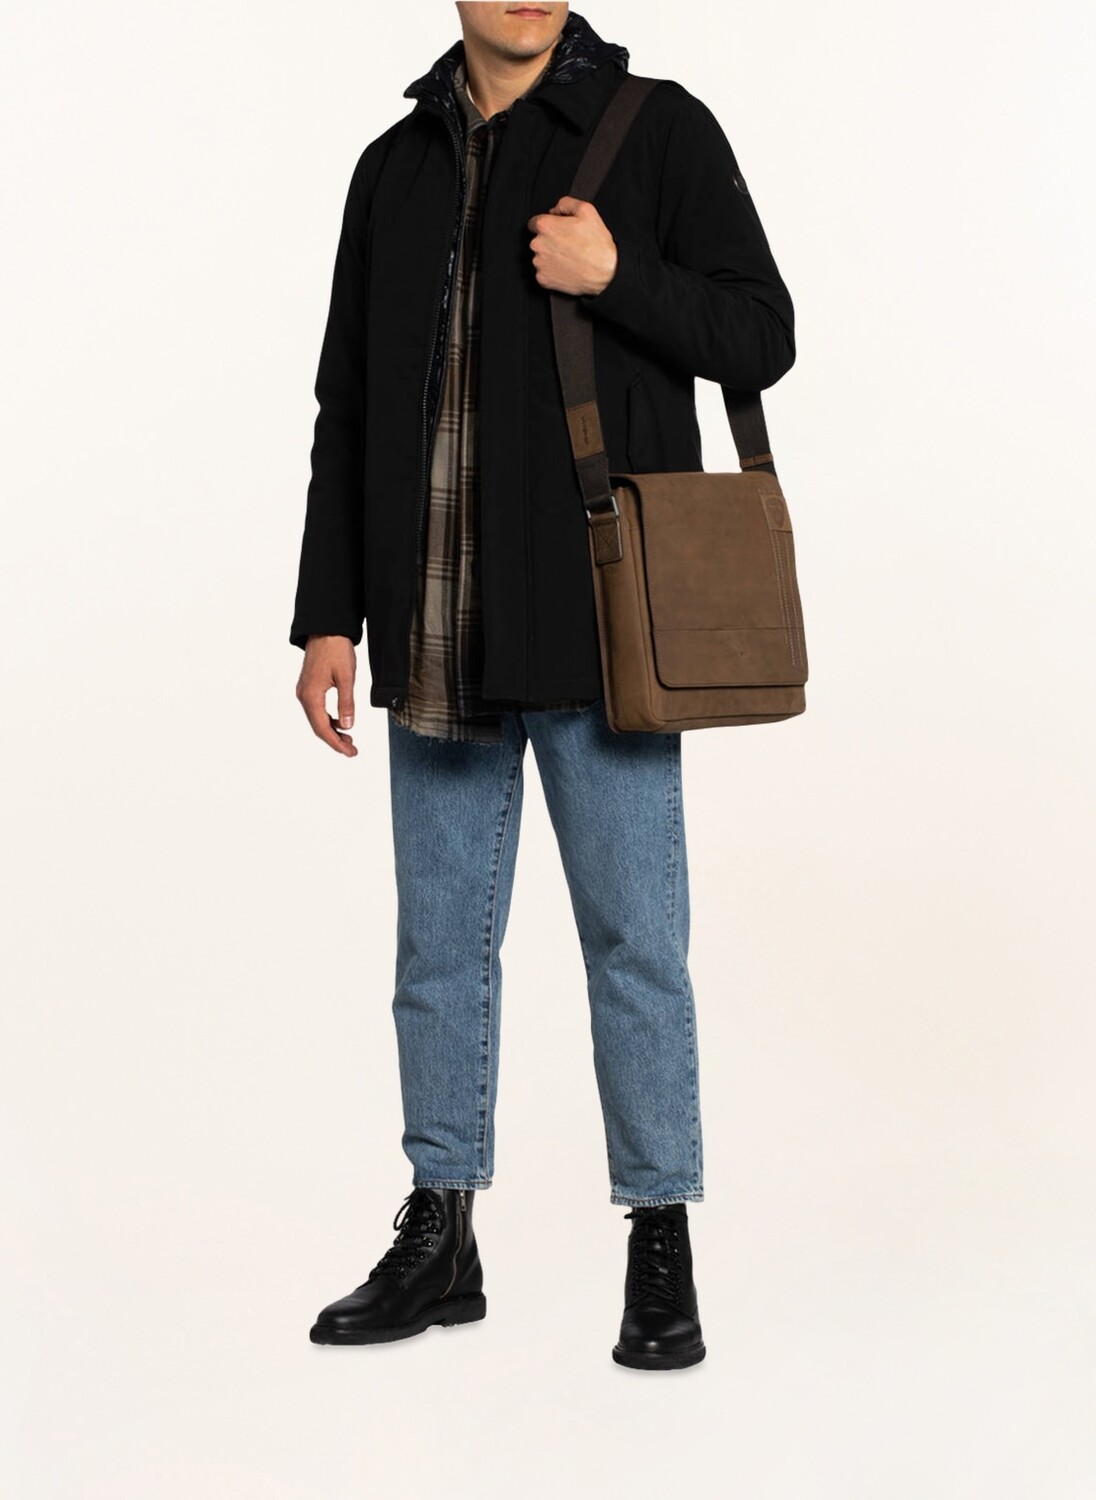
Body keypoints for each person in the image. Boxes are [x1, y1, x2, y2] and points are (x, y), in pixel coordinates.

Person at [290, 3, 794, 1371]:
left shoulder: (657, 129)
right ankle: (441, 1228)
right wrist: (327, 616)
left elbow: (762, 334)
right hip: (434, 623)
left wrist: (619, 273)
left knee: (636, 944)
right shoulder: (393, 167)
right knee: (438, 951)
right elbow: (348, 401)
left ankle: (659, 1235)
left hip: (599, 624)